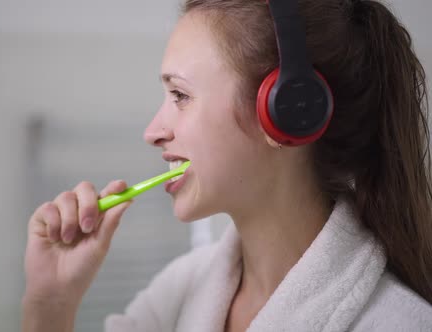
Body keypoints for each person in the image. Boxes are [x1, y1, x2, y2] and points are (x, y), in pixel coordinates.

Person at [22, 0, 432, 331]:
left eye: (179, 95)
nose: (153, 131)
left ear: (284, 111)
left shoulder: (401, 324)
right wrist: (50, 304)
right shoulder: (175, 293)